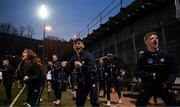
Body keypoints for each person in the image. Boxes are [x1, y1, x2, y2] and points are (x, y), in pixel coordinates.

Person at [135, 32, 179, 106]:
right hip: (148, 86)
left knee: (173, 104)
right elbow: (137, 72)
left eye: (156, 38)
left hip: (163, 86)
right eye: (152, 38)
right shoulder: (142, 57)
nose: (155, 39)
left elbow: (174, 70)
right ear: (146, 42)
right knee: (139, 104)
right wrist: (150, 75)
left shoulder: (166, 55)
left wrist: (168, 83)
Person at [69, 37, 99, 107]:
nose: (77, 45)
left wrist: (82, 66)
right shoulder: (73, 59)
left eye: (79, 43)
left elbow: (94, 69)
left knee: (94, 102)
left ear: (83, 46)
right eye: (75, 44)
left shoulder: (88, 56)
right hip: (82, 82)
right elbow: (70, 71)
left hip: (93, 81)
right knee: (79, 102)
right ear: (73, 47)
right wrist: (66, 66)